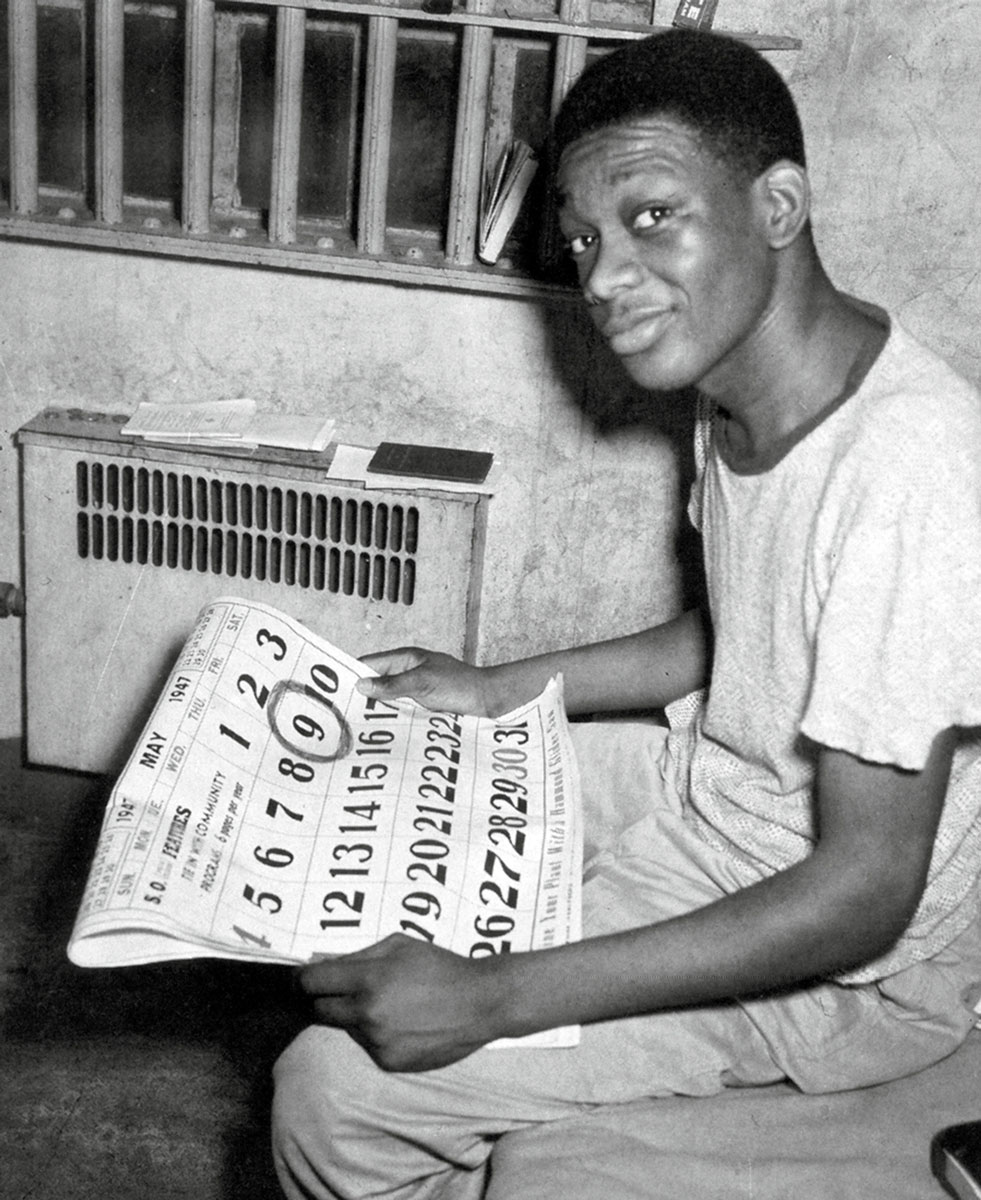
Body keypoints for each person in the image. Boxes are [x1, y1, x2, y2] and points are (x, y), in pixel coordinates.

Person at [272, 28, 981, 1200]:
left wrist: (499, 996)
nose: (601, 277)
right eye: (587, 239)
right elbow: (746, 639)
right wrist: (497, 687)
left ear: (779, 206)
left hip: (848, 965)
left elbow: (861, 895)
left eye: (652, 216)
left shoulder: (914, 474)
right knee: (391, 766)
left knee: (334, 1091)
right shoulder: (738, 389)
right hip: (714, 789)